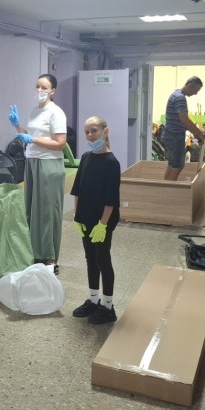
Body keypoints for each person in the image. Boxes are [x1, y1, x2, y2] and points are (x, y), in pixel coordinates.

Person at [8, 73, 67, 272]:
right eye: (38, 86)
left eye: (44, 87)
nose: (40, 90)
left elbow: (60, 144)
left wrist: (32, 140)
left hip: (49, 165)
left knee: (47, 212)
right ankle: (34, 254)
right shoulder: (35, 110)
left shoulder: (56, 113)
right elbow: (30, 135)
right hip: (32, 161)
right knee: (32, 211)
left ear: (53, 91)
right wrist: (17, 125)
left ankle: (50, 259)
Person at [70, 115, 121, 324]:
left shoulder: (111, 162)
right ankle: (93, 300)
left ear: (105, 131)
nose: (90, 135)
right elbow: (77, 189)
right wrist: (77, 216)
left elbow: (111, 199)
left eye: (94, 130)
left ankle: (108, 307)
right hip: (86, 217)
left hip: (103, 220)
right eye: (87, 132)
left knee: (102, 259)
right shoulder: (85, 157)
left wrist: (102, 224)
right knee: (90, 258)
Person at [163, 76, 205, 180]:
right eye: (196, 90)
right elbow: (184, 119)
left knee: (172, 165)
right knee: (177, 166)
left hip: (171, 135)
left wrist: (194, 132)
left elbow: (182, 119)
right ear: (190, 86)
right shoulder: (180, 98)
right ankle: (170, 189)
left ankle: (165, 187)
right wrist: (199, 133)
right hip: (174, 136)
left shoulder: (175, 94)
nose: (196, 93)